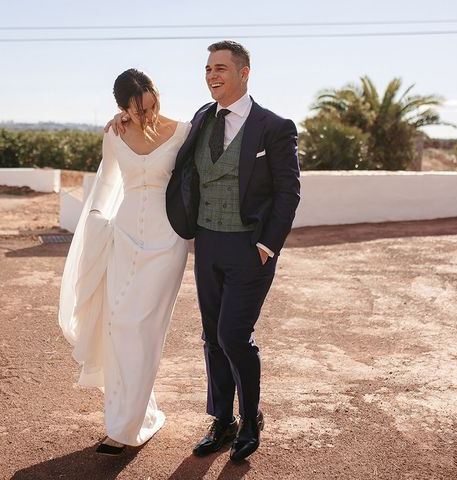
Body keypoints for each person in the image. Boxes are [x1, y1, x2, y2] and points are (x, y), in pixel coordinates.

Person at [108, 40, 300, 462]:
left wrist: (268, 245)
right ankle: (222, 420)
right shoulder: (199, 119)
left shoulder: (274, 126)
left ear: (244, 73)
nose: (212, 75)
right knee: (212, 336)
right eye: (208, 68)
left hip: (251, 248)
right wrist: (124, 117)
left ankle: (250, 420)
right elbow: (158, 139)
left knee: (234, 335)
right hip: (206, 244)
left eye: (221, 68)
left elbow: (289, 191)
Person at [58, 69, 191, 455]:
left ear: (156, 95)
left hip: (168, 241)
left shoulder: (183, 131)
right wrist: (96, 223)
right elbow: (105, 185)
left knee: (145, 327)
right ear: (122, 109)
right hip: (125, 236)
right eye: (138, 110)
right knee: (117, 324)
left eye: (151, 106)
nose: (147, 116)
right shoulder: (114, 134)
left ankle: (126, 426)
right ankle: (133, 417)